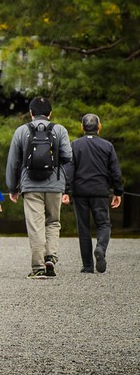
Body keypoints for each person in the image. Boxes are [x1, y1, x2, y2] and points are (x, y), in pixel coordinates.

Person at [6, 97, 72, 279]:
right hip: (55, 184)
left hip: (30, 185)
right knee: (53, 222)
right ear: (50, 113)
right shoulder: (59, 130)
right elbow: (68, 156)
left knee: (36, 225)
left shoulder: (21, 131)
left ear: (31, 113)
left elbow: (13, 162)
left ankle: (38, 267)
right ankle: (50, 257)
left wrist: (12, 187)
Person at [64, 114, 124, 273]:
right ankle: (101, 248)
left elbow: (69, 170)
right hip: (100, 191)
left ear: (82, 127)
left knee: (83, 227)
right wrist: (118, 191)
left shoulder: (75, 145)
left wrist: (66, 191)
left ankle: (88, 266)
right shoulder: (107, 146)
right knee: (103, 224)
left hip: (80, 191)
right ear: (99, 127)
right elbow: (115, 172)